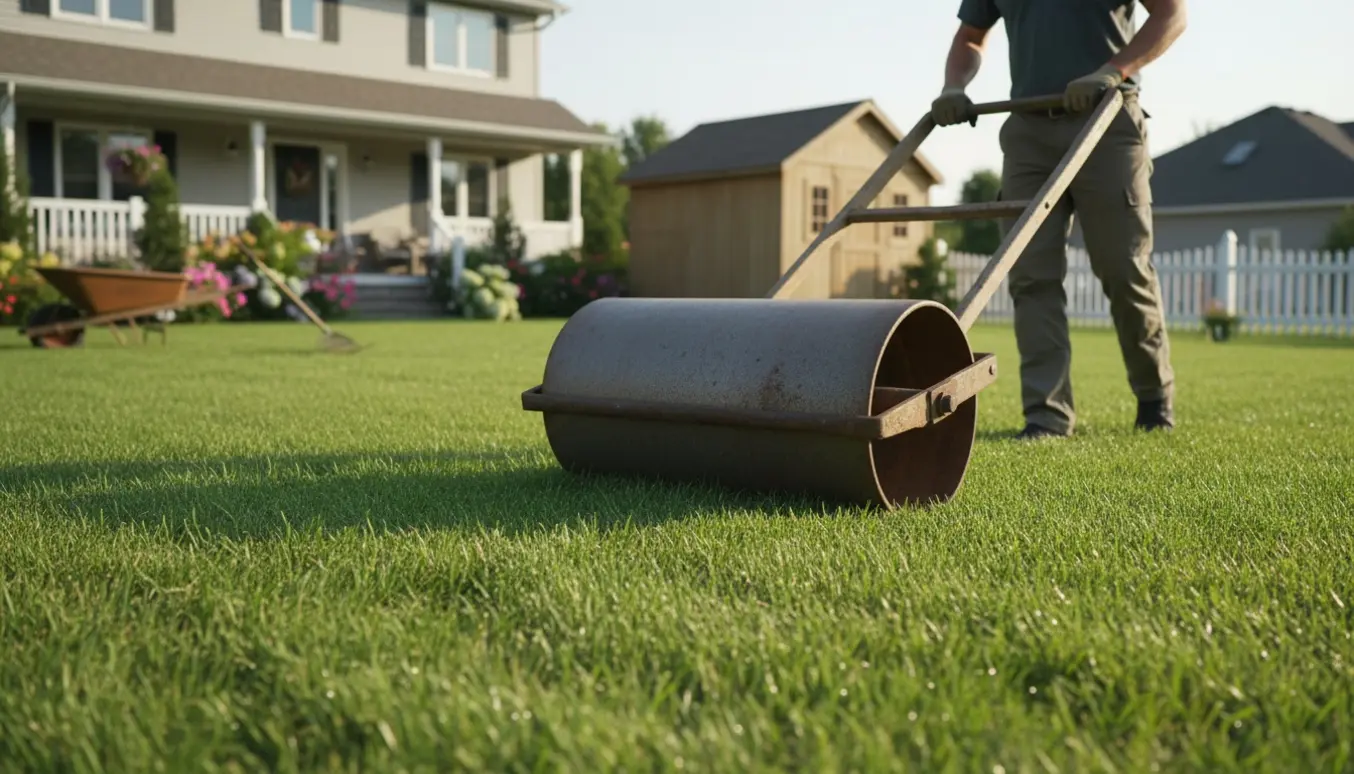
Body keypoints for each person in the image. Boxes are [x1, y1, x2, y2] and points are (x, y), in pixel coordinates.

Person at [931, 0, 1188, 438]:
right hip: (1028, 130)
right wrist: (953, 86)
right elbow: (970, 37)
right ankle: (1046, 416)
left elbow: (1172, 15)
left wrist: (1113, 70)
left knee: (1123, 267)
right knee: (1031, 277)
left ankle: (1153, 398)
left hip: (1107, 118)